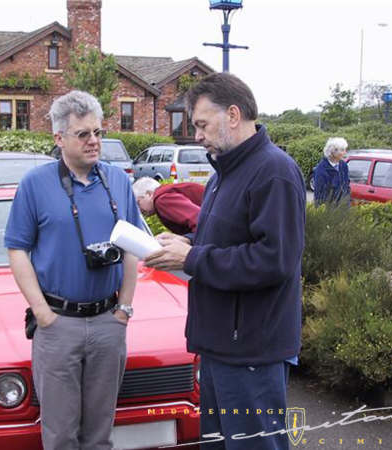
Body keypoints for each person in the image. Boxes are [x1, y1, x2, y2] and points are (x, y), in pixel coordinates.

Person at [143, 73, 306, 450]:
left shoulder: (274, 172)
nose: (196, 135)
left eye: (201, 124)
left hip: (252, 351)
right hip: (219, 347)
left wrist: (194, 257)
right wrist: (182, 243)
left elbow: (274, 259)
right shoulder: (223, 173)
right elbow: (219, 236)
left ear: (233, 115)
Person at [4, 90, 141, 450]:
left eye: (98, 132)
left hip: (108, 321)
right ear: (59, 138)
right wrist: (42, 313)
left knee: (100, 434)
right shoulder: (35, 184)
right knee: (61, 434)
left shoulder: (118, 181)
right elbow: (17, 249)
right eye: (83, 134)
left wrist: (124, 308)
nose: (94, 141)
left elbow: (132, 247)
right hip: (58, 325)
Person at [132, 177, 205, 235]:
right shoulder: (165, 193)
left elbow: (198, 220)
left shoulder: (161, 200)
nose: (139, 210)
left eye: (138, 203)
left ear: (149, 194)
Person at [313, 137, 351, 206]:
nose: (345, 153)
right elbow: (319, 197)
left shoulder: (344, 165)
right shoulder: (321, 170)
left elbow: (347, 187)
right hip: (329, 211)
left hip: (343, 209)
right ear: (333, 151)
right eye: (342, 150)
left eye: (345, 150)